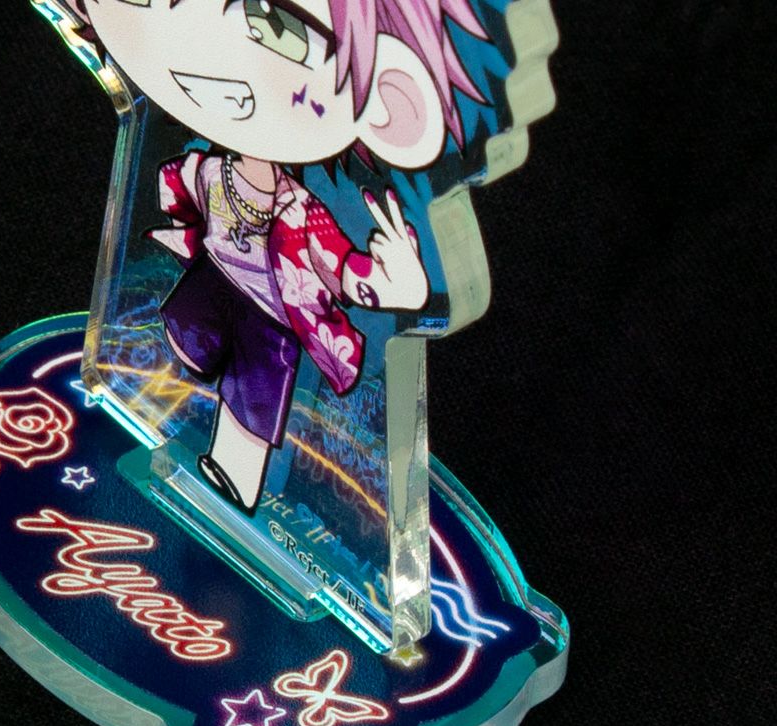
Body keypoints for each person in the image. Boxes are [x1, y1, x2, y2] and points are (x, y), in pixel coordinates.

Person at [57, 0, 488, 513]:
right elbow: (183, 196)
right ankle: (170, 405)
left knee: (252, 404)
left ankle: (235, 479)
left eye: (277, 28)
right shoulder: (206, 168)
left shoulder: (303, 212)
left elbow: (340, 269)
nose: (211, 46)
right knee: (183, 342)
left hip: (270, 318)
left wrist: (396, 288)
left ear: (393, 101)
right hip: (211, 282)